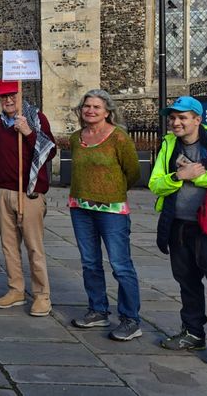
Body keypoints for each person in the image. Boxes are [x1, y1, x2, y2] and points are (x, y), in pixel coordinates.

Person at [150, 96, 207, 366]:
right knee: (187, 284)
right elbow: (156, 184)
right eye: (172, 117)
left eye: (182, 117)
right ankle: (193, 332)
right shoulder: (168, 145)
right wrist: (179, 176)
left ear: (197, 120)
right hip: (179, 226)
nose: (176, 122)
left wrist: (198, 175)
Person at [67, 89, 142, 341]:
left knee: (121, 265)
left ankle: (130, 318)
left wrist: (112, 191)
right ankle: (98, 310)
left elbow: (132, 172)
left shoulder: (118, 138)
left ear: (107, 111)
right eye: (87, 106)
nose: (90, 110)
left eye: (96, 107)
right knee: (90, 263)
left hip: (111, 211)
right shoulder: (76, 138)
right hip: (81, 209)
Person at [0, 80, 57, 316]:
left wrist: (28, 133)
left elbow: (50, 150)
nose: (8, 100)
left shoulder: (35, 118)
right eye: (3, 97)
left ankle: (41, 295)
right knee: (9, 246)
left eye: (12, 95)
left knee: (34, 247)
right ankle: (16, 289)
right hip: (2, 192)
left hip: (29, 192)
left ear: (20, 94)